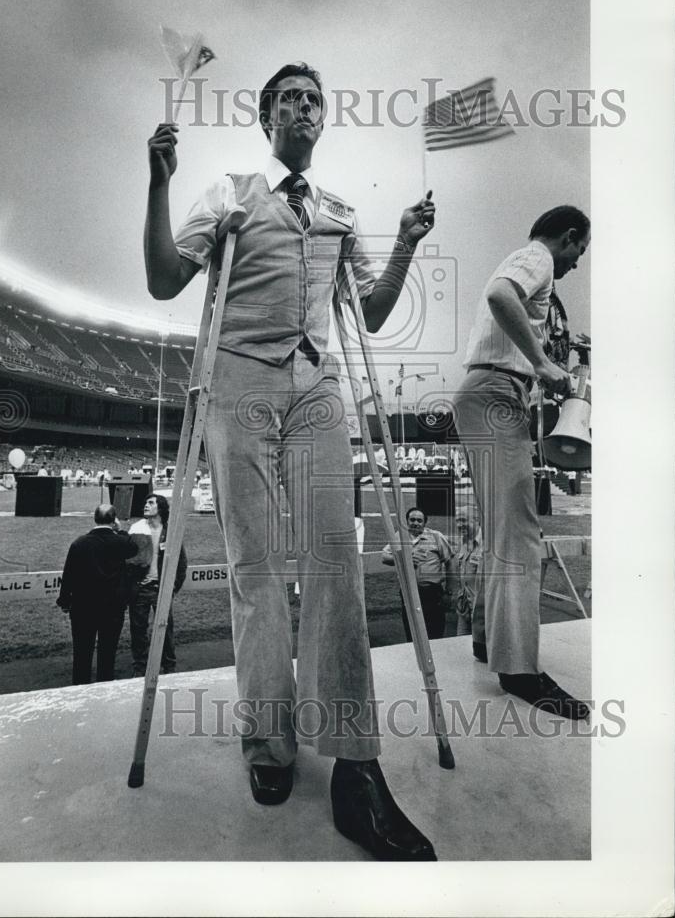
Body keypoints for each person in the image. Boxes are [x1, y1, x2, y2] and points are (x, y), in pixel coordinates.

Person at [144, 62, 438, 861]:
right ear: (266, 116)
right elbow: (165, 280)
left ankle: (354, 762)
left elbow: (369, 315)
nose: (306, 108)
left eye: (317, 99)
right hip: (239, 378)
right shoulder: (232, 191)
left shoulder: (340, 211)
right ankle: (267, 741)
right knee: (256, 567)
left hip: (317, 384)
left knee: (335, 557)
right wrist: (157, 184)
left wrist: (406, 244)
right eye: (292, 99)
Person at [453, 205, 590, 719]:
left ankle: (490, 641)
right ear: (570, 236)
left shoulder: (529, 258)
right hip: (495, 391)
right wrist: (541, 362)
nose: (578, 261)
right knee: (520, 533)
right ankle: (520, 671)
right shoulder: (538, 258)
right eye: (581, 249)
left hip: (488, 391)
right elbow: (498, 295)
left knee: (501, 529)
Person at [56, 504, 138, 684]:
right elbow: (134, 548)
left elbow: (69, 574)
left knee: (82, 652)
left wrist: (64, 600)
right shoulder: (121, 542)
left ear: (95, 518)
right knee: (108, 652)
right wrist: (121, 530)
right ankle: (104, 686)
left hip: (83, 607)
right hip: (113, 607)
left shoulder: (79, 543)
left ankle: (80, 686)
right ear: (114, 520)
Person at [126, 494, 187, 675]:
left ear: (160, 508)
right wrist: (132, 585)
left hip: (162, 590)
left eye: (150, 503)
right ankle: (140, 667)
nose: (146, 505)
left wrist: (172, 587)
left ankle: (169, 665)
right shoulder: (136, 529)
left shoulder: (170, 532)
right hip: (140, 590)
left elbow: (181, 563)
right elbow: (127, 561)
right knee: (138, 631)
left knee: (165, 629)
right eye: (145, 502)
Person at [381, 507, 455, 641]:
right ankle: (415, 661)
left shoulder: (436, 536)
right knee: (412, 633)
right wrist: (404, 558)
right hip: (408, 593)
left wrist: (449, 592)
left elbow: (450, 563)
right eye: (412, 520)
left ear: (425, 523)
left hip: (432, 593)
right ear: (407, 522)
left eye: (419, 520)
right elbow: (385, 557)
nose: (415, 523)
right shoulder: (399, 536)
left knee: (435, 633)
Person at [452, 506, 487, 662]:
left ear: (477, 520)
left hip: (482, 614)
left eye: (463, 520)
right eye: (457, 521)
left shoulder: (488, 545)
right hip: (464, 609)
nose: (460, 525)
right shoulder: (463, 541)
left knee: (481, 656)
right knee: (461, 651)